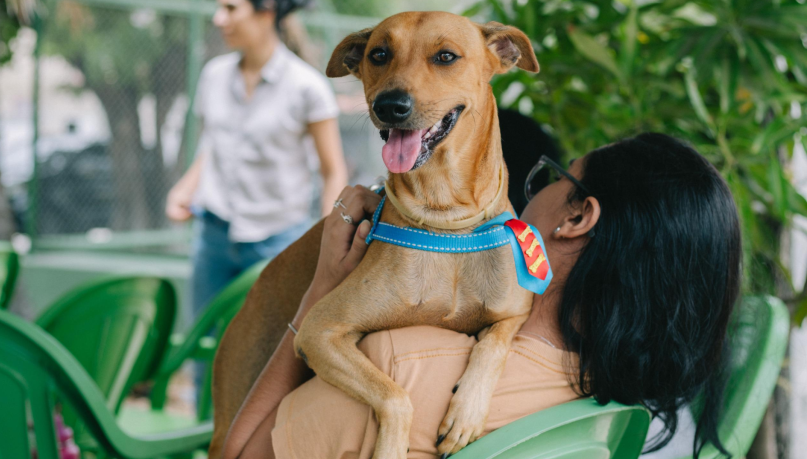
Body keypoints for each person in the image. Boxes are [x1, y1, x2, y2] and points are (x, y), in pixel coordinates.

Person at [221, 133, 741, 459]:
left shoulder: (401, 367)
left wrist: (320, 293)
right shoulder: (612, 408)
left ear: (576, 217)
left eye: (550, 180)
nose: (525, 197)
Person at [166, 0, 348, 313]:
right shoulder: (213, 75)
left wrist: (325, 237)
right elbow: (212, 145)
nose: (219, 18)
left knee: (267, 351)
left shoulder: (308, 87)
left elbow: (332, 171)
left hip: (277, 242)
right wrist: (185, 188)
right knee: (203, 343)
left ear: (266, 12)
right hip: (213, 236)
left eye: (231, 8)